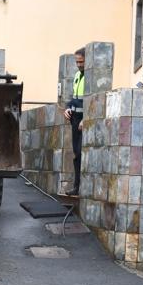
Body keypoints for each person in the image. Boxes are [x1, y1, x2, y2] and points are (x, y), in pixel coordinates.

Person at [62, 47, 86, 196]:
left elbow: (93, 100)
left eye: (81, 61)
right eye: (77, 62)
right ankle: (76, 187)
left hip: (84, 121)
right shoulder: (77, 75)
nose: (78, 65)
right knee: (77, 154)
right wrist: (67, 108)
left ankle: (81, 187)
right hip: (75, 120)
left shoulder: (91, 76)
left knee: (82, 154)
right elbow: (75, 99)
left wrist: (87, 118)